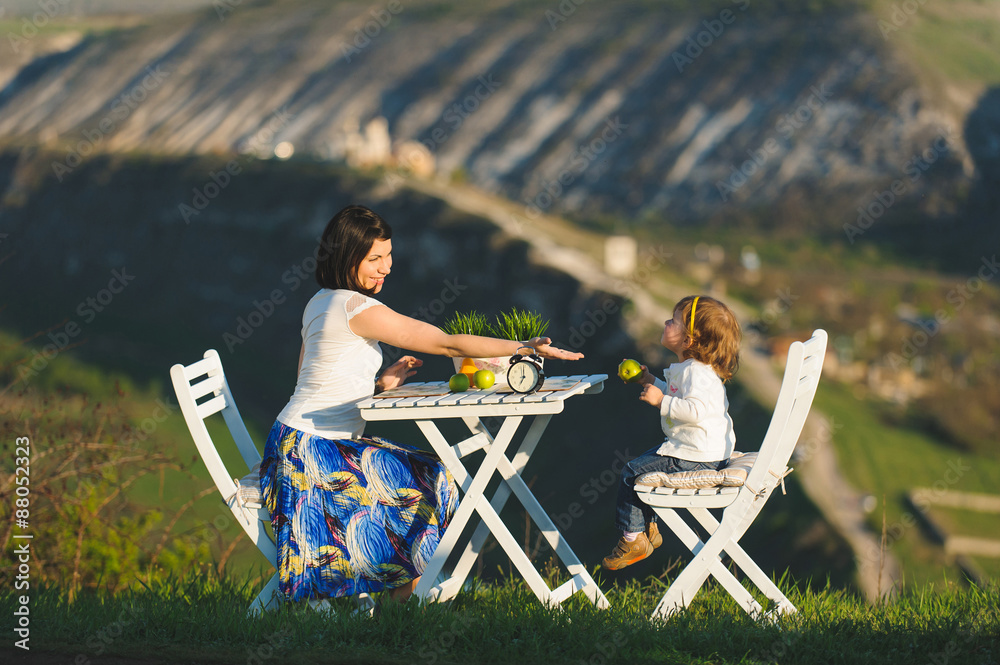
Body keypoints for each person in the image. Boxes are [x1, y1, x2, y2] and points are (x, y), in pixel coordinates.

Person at [260, 204, 584, 603]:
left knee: (430, 473)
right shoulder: (355, 307)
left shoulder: (320, 301)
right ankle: (403, 604)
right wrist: (524, 348)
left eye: (389, 255)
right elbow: (445, 343)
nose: (386, 267)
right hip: (311, 450)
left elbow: (313, 380)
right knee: (429, 481)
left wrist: (379, 386)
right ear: (345, 258)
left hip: (298, 439)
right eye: (374, 258)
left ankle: (402, 603)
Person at [601, 295, 741, 570]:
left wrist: (660, 401)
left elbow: (695, 410)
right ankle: (648, 530)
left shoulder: (695, 373)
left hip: (696, 455)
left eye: (674, 321)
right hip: (701, 450)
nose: (666, 322)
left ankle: (633, 538)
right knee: (643, 467)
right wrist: (650, 381)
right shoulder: (694, 369)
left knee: (631, 472)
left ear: (689, 341)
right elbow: (680, 395)